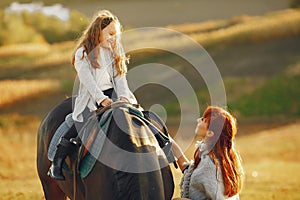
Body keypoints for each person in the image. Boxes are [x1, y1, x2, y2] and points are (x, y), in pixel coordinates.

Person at [48, 10, 137, 180]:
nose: (113, 38)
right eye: (110, 34)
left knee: (139, 119)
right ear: (98, 31)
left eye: (116, 35)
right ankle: (57, 163)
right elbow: (88, 81)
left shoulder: (115, 52)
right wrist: (101, 99)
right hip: (92, 97)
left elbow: (120, 78)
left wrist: (124, 97)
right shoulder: (82, 53)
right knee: (79, 124)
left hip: (116, 95)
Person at [172, 106, 244, 200]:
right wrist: (169, 142)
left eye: (203, 120)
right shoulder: (214, 156)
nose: (198, 120)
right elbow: (190, 172)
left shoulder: (210, 164)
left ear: (210, 133)